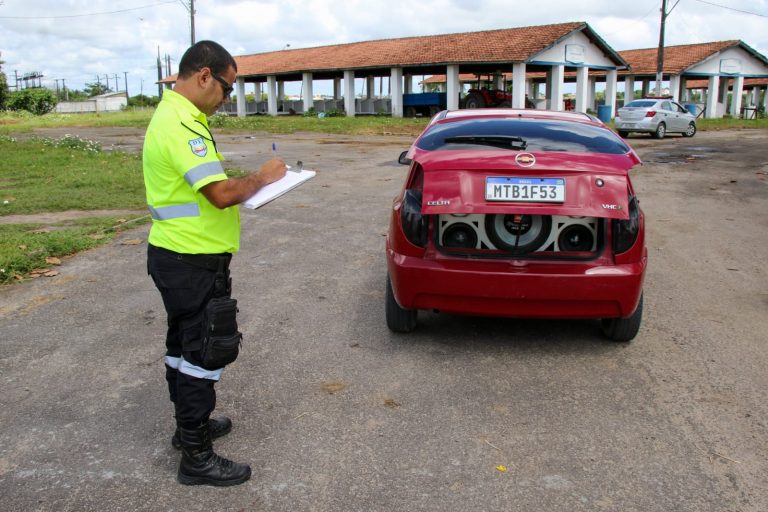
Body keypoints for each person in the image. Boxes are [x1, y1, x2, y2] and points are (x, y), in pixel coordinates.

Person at [143, 40, 286, 486]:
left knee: (182, 347)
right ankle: (197, 458)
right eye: (226, 89)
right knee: (204, 352)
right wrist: (263, 177)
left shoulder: (175, 116)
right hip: (191, 260)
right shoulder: (183, 124)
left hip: (178, 254)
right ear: (205, 76)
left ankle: (189, 431)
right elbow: (220, 194)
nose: (226, 100)